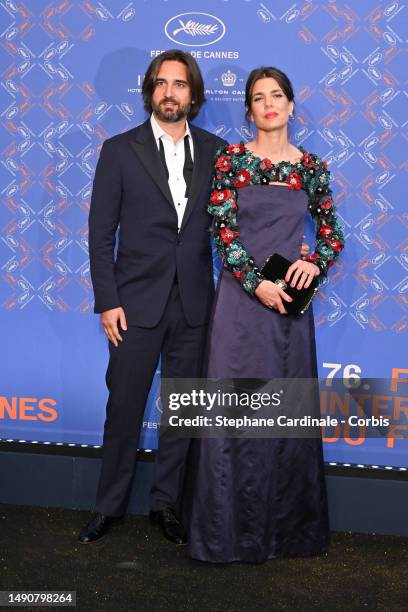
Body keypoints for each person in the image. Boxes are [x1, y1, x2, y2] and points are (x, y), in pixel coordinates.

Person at [188, 67, 345, 563]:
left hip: (289, 313)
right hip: (241, 302)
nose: (269, 104)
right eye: (258, 98)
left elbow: (333, 233)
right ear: (249, 109)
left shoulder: (312, 168)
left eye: (277, 95)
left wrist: (310, 263)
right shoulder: (232, 160)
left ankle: (287, 536)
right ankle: (225, 537)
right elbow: (223, 232)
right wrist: (258, 284)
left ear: (292, 105)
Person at [78, 49, 227, 545]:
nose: (170, 92)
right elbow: (101, 235)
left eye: (179, 84)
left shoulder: (217, 151)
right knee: (123, 408)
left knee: (182, 412)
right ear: (150, 91)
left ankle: (166, 506)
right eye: (162, 83)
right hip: (133, 305)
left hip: (194, 307)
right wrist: (107, 300)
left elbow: (234, 227)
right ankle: (108, 506)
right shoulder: (119, 150)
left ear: (193, 94)